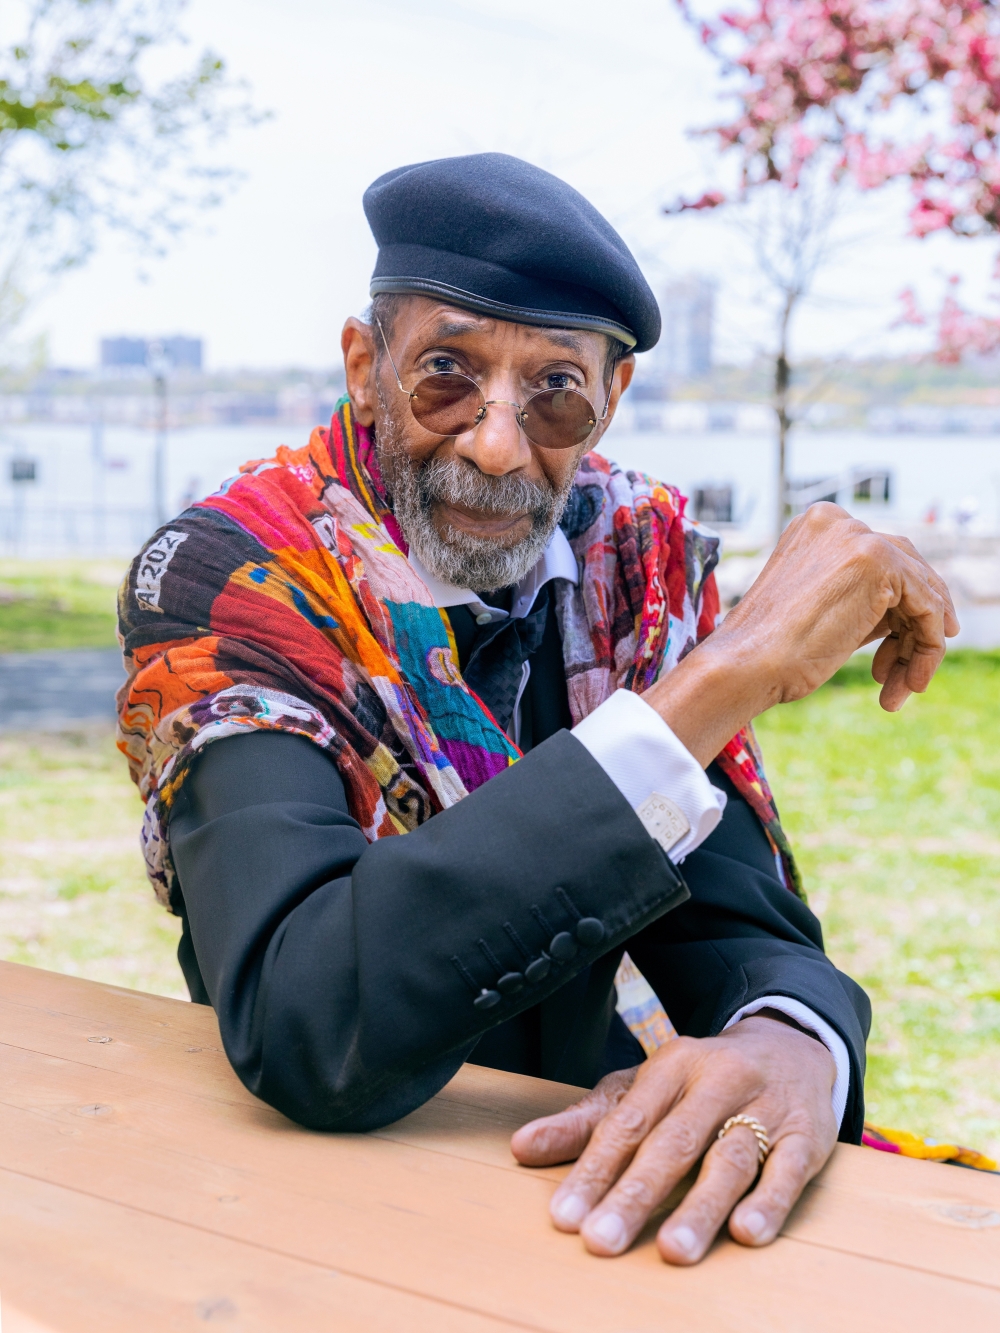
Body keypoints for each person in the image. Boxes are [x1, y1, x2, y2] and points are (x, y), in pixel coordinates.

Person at [116, 153, 957, 1267]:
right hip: (322, 1214)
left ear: (610, 401)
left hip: (593, 1180)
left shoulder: (633, 556)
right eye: (446, 375)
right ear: (366, 366)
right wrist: (730, 672)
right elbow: (305, 1011)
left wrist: (788, 1040)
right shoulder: (234, 575)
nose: (497, 443)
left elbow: (733, 926)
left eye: (554, 390)